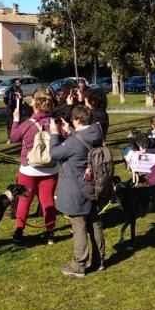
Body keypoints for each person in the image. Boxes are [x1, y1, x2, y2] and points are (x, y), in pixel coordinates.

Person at [50, 105, 106, 277]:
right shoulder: (96, 132)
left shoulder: (74, 142)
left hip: (76, 187)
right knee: (94, 223)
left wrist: (54, 134)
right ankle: (99, 260)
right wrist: (71, 132)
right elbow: (80, 142)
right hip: (92, 185)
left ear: (76, 120)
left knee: (79, 225)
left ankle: (79, 264)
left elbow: (54, 153)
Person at [9, 88, 58, 243]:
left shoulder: (28, 124)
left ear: (35, 106)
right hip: (50, 168)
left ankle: (19, 231)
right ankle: (50, 232)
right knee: (48, 200)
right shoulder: (54, 123)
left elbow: (14, 137)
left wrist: (15, 119)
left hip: (29, 169)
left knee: (24, 200)